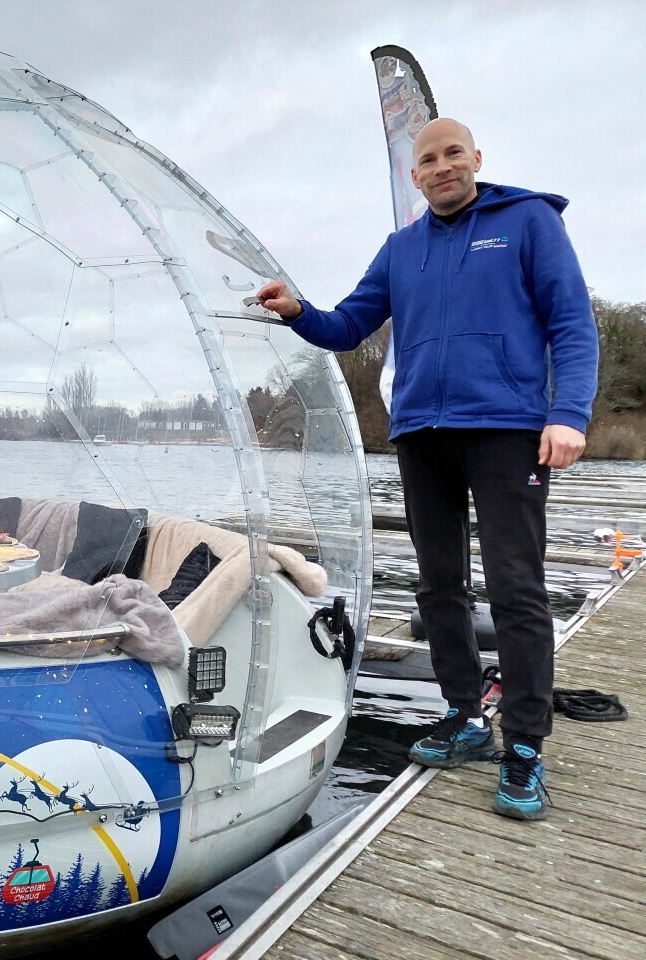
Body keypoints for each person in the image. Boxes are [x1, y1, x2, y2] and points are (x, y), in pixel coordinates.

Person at [255, 118, 598, 821]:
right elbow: (348, 325)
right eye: (428, 160)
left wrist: (571, 414)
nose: (442, 168)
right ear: (414, 176)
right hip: (421, 435)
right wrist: (296, 311)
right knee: (439, 585)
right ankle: (465, 716)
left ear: (476, 159)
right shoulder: (401, 248)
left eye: (452, 155)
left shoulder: (528, 221)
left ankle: (525, 747)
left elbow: (571, 321)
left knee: (516, 587)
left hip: (508, 431)